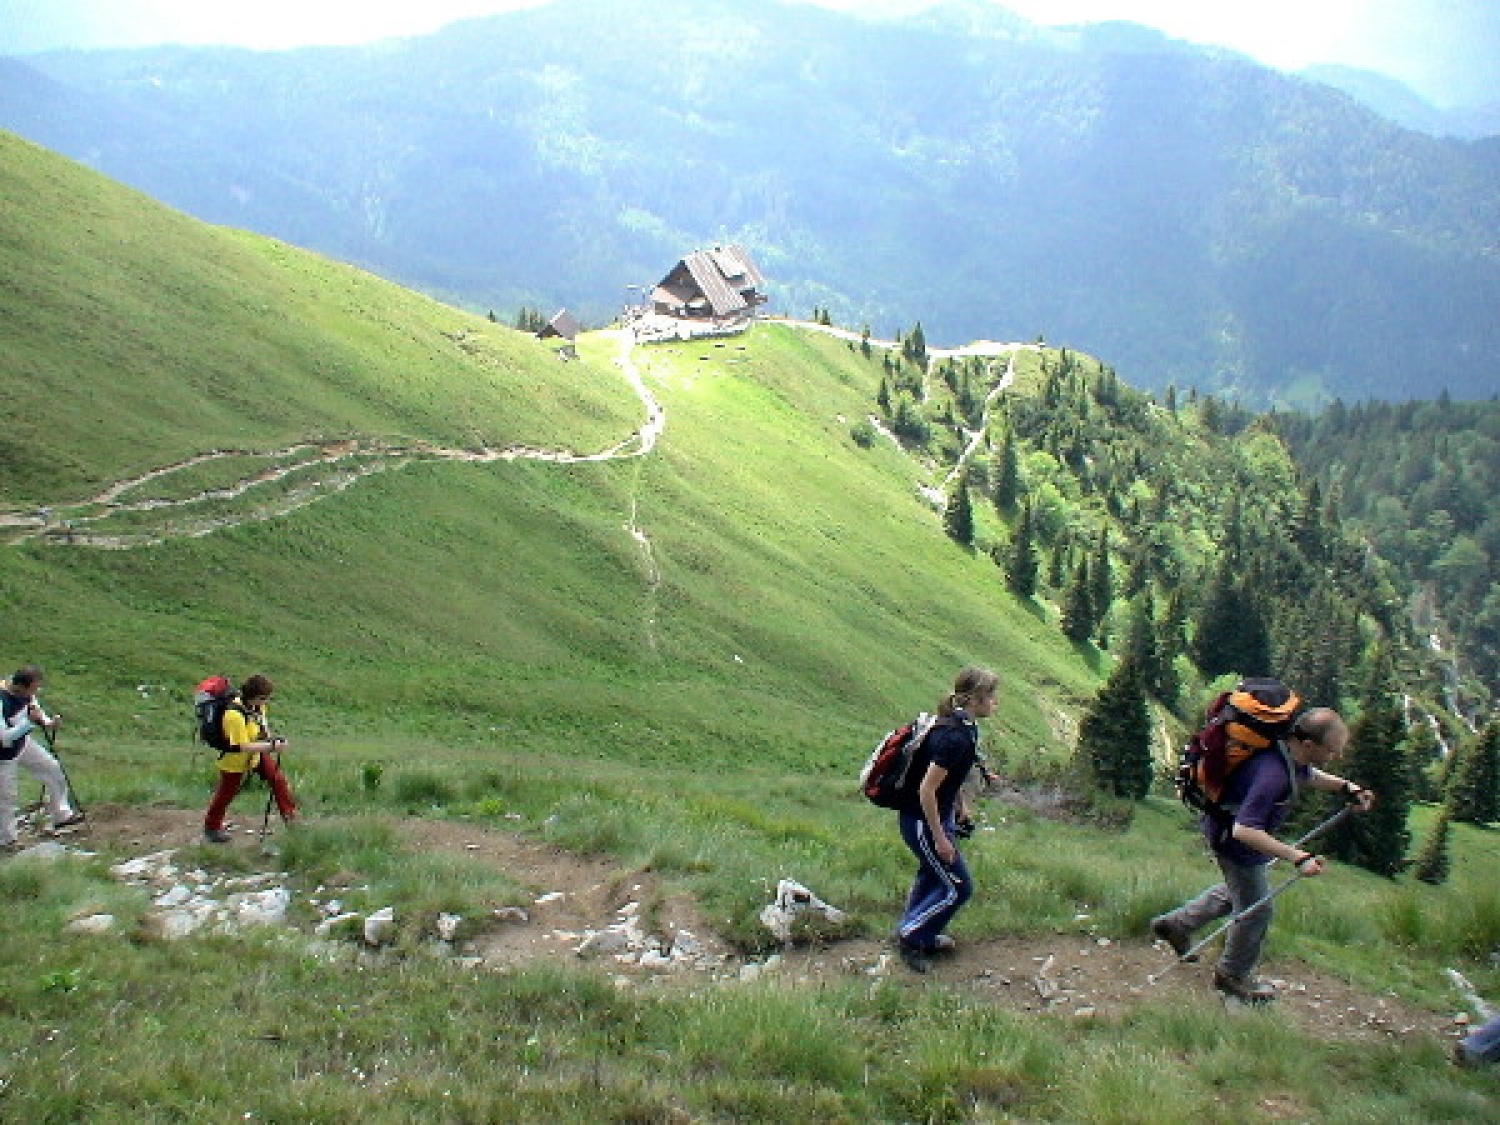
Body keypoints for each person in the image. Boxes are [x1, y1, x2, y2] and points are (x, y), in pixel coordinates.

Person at [1150, 706, 1375, 1003]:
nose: (1336, 757)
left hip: (1227, 831)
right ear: (1309, 744)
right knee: (1257, 909)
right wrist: (1297, 856)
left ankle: (1177, 925)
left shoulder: (1286, 753)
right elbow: (1244, 830)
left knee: (1241, 892)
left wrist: (1344, 787)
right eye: (1332, 751)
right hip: (1235, 841)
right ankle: (1232, 975)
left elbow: (1307, 775)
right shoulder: (1272, 773)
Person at [894, 665, 999, 973]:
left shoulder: (964, 727)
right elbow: (927, 789)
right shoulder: (953, 737)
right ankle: (913, 938)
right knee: (958, 887)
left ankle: (916, 928)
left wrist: (961, 809)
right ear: (975, 698)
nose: (996, 702)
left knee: (931, 876)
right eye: (991, 696)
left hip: (936, 818)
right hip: (922, 821)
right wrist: (940, 838)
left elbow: (950, 780)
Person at [202, 674, 297, 843]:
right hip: (234, 760)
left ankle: (291, 820)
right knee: (226, 793)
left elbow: (262, 728)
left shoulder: (257, 707)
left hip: (256, 754)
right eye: (264, 698)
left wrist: (271, 739)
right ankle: (211, 826)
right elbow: (242, 746)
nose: (266, 702)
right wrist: (272, 746)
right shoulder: (233, 715)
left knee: (278, 780)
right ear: (255, 697)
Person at [0, 666, 85, 847]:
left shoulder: (27, 695)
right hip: (3, 756)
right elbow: (3, 737)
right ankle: (7, 839)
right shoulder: (2, 700)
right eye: (34, 688)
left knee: (52, 769)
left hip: (21, 744)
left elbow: (35, 710)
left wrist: (48, 723)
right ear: (23, 686)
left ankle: (61, 814)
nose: (36, 692)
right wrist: (28, 722)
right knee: (6, 796)